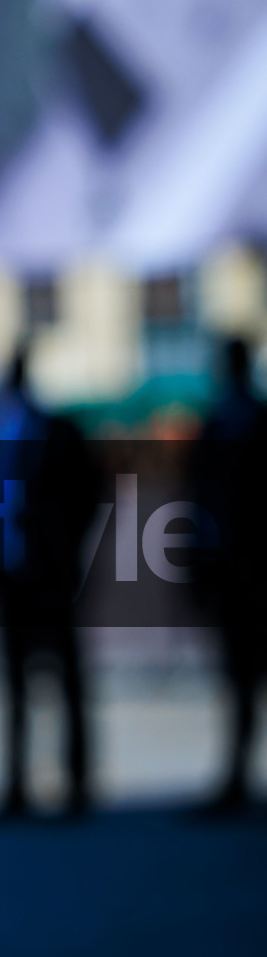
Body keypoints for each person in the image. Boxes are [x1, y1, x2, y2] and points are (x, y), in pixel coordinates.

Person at [0, 344, 101, 816]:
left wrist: (64, 551)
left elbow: (87, 495)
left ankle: (77, 784)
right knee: (15, 686)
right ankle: (16, 786)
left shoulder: (53, 432)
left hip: (45, 576)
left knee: (65, 682)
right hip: (12, 577)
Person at [189, 336, 267, 812]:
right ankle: (236, 773)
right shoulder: (222, 420)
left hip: (249, 571)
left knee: (242, 676)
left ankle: (238, 774)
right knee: (236, 678)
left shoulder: (247, 421)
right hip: (229, 570)